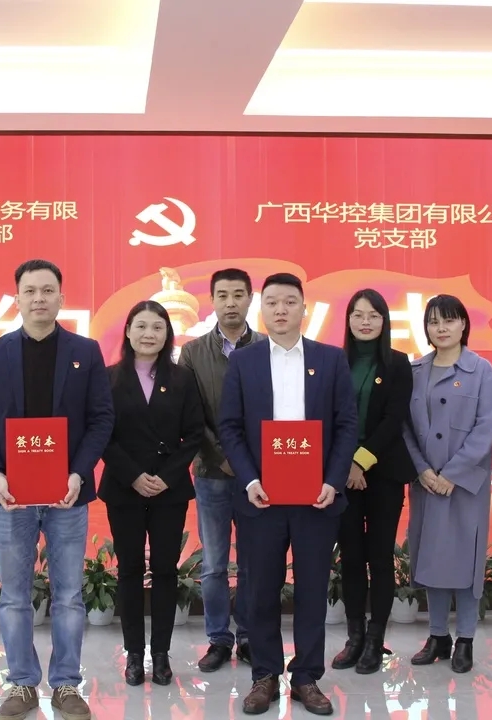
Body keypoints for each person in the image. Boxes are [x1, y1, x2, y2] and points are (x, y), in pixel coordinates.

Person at [0, 259, 114, 720]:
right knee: (14, 595)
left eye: (48, 290)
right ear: (17, 299)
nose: (39, 298)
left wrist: (79, 472)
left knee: (68, 595)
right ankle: (22, 683)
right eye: (30, 291)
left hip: (68, 494)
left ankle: (66, 684)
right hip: (12, 497)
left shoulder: (85, 351)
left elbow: (101, 418)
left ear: (61, 298)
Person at [218, 273, 358, 716]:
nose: (281, 310)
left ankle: (306, 677)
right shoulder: (244, 362)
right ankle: (264, 675)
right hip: (261, 497)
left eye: (290, 302)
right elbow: (230, 427)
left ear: (304, 308)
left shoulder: (330, 359)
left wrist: (333, 480)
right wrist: (249, 480)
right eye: (273, 302)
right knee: (260, 589)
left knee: (312, 589)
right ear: (262, 309)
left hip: (316, 497)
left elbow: (346, 425)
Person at [99, 301, 205, 686]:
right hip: (124, 488)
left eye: (157, 327)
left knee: (165, 570)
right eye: (141, 326)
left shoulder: (182, 379)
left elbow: (194, 433)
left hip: (168, 490)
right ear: (128, 331)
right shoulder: (108, 378)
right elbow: (100, 432)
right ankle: (133, 654)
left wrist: (166, 476)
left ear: (167, 335)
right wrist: (133, 475)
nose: (149, 334)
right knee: (128, 570)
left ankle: (160, 654)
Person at [402, 295, 492, 674]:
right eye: (433, 321)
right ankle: (438, 636)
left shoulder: (481, 370)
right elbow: (405, 428)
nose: (441, 328)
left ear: (463, 324)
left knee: (465, 562)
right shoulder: (415, 370)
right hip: (426, 483)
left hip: (465, 485)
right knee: (432, 560)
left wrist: (452, 475)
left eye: (449, 320)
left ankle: (466, 640)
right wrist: (422, 469)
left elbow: (485, 428)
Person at [178, 268, 264, 671]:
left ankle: (247, 636)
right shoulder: (193, 352)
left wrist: (245, 461)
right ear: (212, 301)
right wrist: (222, 456)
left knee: (251, 561)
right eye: (223, 295)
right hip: (211, 473)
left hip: (257, 476)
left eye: (238, 295)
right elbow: (191, 414)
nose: (231, 303)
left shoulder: (267, 347)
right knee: (213, 563)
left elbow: (272, 412)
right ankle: (218, 639)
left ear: (250, 299)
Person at [331, 289, 415, 674]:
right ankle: (355, 637)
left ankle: (376, 639)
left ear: (385, 321)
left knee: (380, 557)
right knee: (350, 557)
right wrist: (347, 464)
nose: (365, 322)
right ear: (348, 320)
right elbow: (330, 418)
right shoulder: (334, 363)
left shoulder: (398, 363)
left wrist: (360, 462)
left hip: (384, 473)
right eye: (358, 315)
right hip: (342, 475)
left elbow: (393, 420)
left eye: (374, 315)